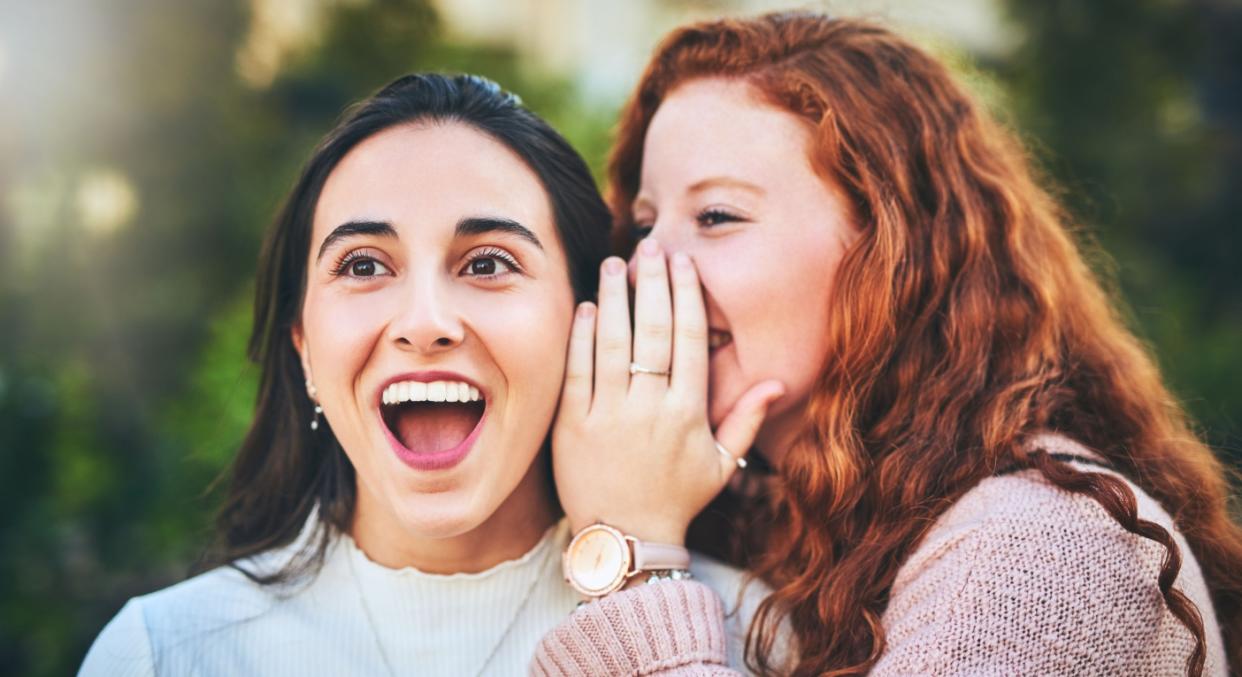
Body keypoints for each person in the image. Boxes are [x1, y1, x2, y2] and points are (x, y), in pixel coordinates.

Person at [535, 13, 1242, 676]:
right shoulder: (787, 522)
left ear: (890, 252)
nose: (644, 266)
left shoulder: (1039, 547)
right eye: (645, 221)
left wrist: (634, 554)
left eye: (717, 215)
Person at [79, 73, 762, 676]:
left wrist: (641, 586)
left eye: (488, 262)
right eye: (364, 265)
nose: (425, 320)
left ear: (589, 322)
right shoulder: (163, 653)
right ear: (304, 349)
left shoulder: (756, 638)